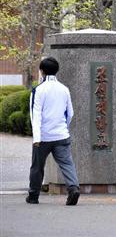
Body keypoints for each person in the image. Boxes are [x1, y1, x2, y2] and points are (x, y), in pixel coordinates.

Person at [26, 56, 80, 206]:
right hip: (61, 135)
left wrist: (36, 138)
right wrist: (64, 128)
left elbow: (35, 115)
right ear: (57, 70)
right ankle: (73, 188)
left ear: (41, 71)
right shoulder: (64, 89)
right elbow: (70, 113)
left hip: (43, 137)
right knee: (67, 164)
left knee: (37, 167)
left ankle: (33, 196)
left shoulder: (38, 90)